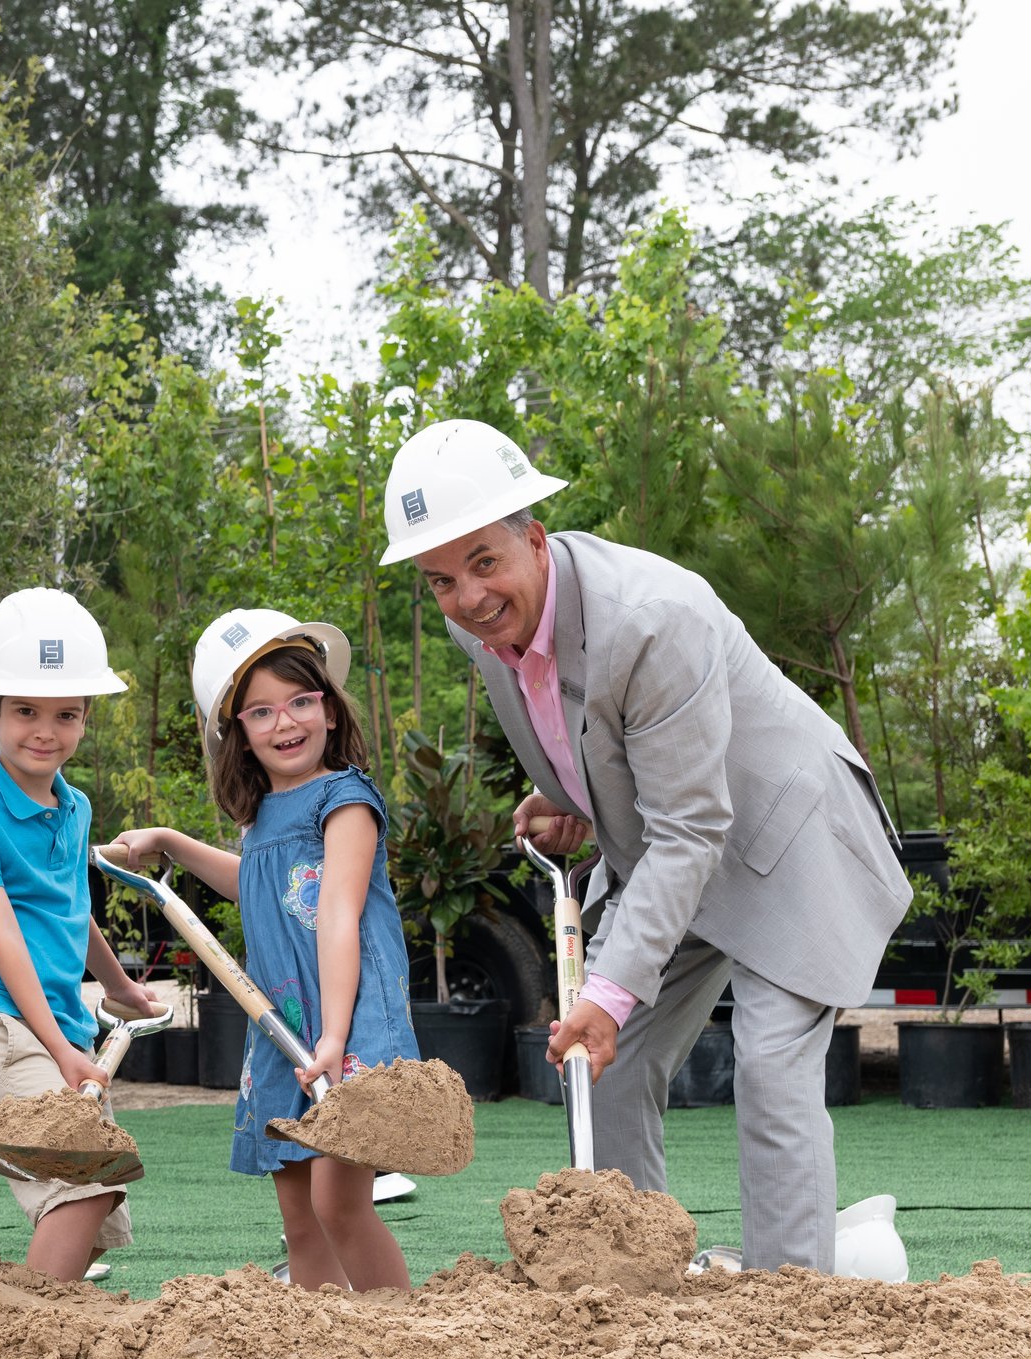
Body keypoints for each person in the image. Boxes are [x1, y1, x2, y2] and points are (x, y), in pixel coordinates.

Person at [383, 417, 912, 1274]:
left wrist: (611, 987)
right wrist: (573, 801)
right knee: (611, 1061)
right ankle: (632, 1285)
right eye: (441, 579)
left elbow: (693, 825)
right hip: (680, 847)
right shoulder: (481, 632)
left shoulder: (653, 618)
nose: (470, 597)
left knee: (772, 1069)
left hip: (783, 839)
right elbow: (608, 744)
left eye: (484, 562)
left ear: (535, 538)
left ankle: (789, 1308)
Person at [112, 610, 415, 1293]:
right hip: (281, 1027)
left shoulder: (346, 799)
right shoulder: (263, 818)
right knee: (302, 1216)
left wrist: (335, 1034)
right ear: (239, 733)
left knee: (340, 1201)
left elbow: (336, 909)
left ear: (331, 710)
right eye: (262, 712)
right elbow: (253, 880)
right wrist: (170, 840)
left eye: (301, 702)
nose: (286, 724)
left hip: (346, 1020)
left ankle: (405, 1334)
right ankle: (319, 1346)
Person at [0, 589, 167, 1283]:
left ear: (86, 719)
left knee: (100, 1202)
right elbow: (2, 937)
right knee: (79, 1180)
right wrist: (61, 1050)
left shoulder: (76, 806)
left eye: (65, 714)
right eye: (25, 710)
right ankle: (31, 1344)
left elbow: (68, 905)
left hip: (56, 1023)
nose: (45, 730)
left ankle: (28, 1315)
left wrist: (118, 986)